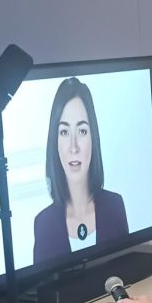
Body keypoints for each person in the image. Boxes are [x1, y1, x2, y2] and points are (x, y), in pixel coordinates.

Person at [31, 77, 129, 263]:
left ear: (93, 138)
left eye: (82, 131)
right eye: (64, 132)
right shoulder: (43, 224)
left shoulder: (114, 206)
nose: (73, 146)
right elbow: (41, 290)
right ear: (55, 142)